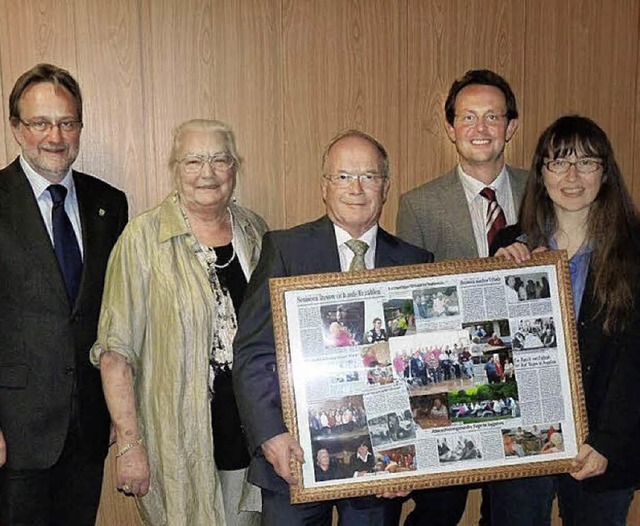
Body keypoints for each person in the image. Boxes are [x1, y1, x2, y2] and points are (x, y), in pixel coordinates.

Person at [233, 129, 433, 525]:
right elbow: (253, 352)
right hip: (295, 457)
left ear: (386, 186)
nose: (356, 188)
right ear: (325, 186)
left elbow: (421, 372)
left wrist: (411, 456)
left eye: (369, 176)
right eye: (343, 176)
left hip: (381, 468)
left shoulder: (416, 262)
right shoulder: (285, 250)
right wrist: (271, 435)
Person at [91, 119, 267, 525]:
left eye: (220, 160)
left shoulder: (255, 232)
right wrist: (129, 444)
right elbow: (116, 351)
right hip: (176, 445)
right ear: (174, 166)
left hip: (247, 439)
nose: (207, 173)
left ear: (235, 168)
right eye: (193, 160)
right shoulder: (142, 240)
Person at [488, 115, 640, 526]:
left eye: (587, 162)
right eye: (558, 162)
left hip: (603, 446)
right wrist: (495, 277)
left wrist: (608, 442)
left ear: (605, 173)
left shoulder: (635, 248)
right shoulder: (511, 244)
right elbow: (492, 347)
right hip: (523, 440)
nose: (572, 176)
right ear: (541, 173)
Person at [397, 69, 528, 525]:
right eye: (468, 117)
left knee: (511, 507)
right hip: (451, 382)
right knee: (439, 509)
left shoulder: (543, 192)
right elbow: (411, 304)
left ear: (511, 126)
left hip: (529, 377)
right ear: (451, 128)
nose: (481, 128)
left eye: (493, 116)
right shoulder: (419, 204)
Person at [0, 63, 128, 525]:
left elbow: (115, 314)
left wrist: (120, 409)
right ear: (16, 128)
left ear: (80, 126)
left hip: (89, 426)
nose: (55, 136)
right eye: (40, 122)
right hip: (16, 432)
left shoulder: (109, 203)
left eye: (67, 122)